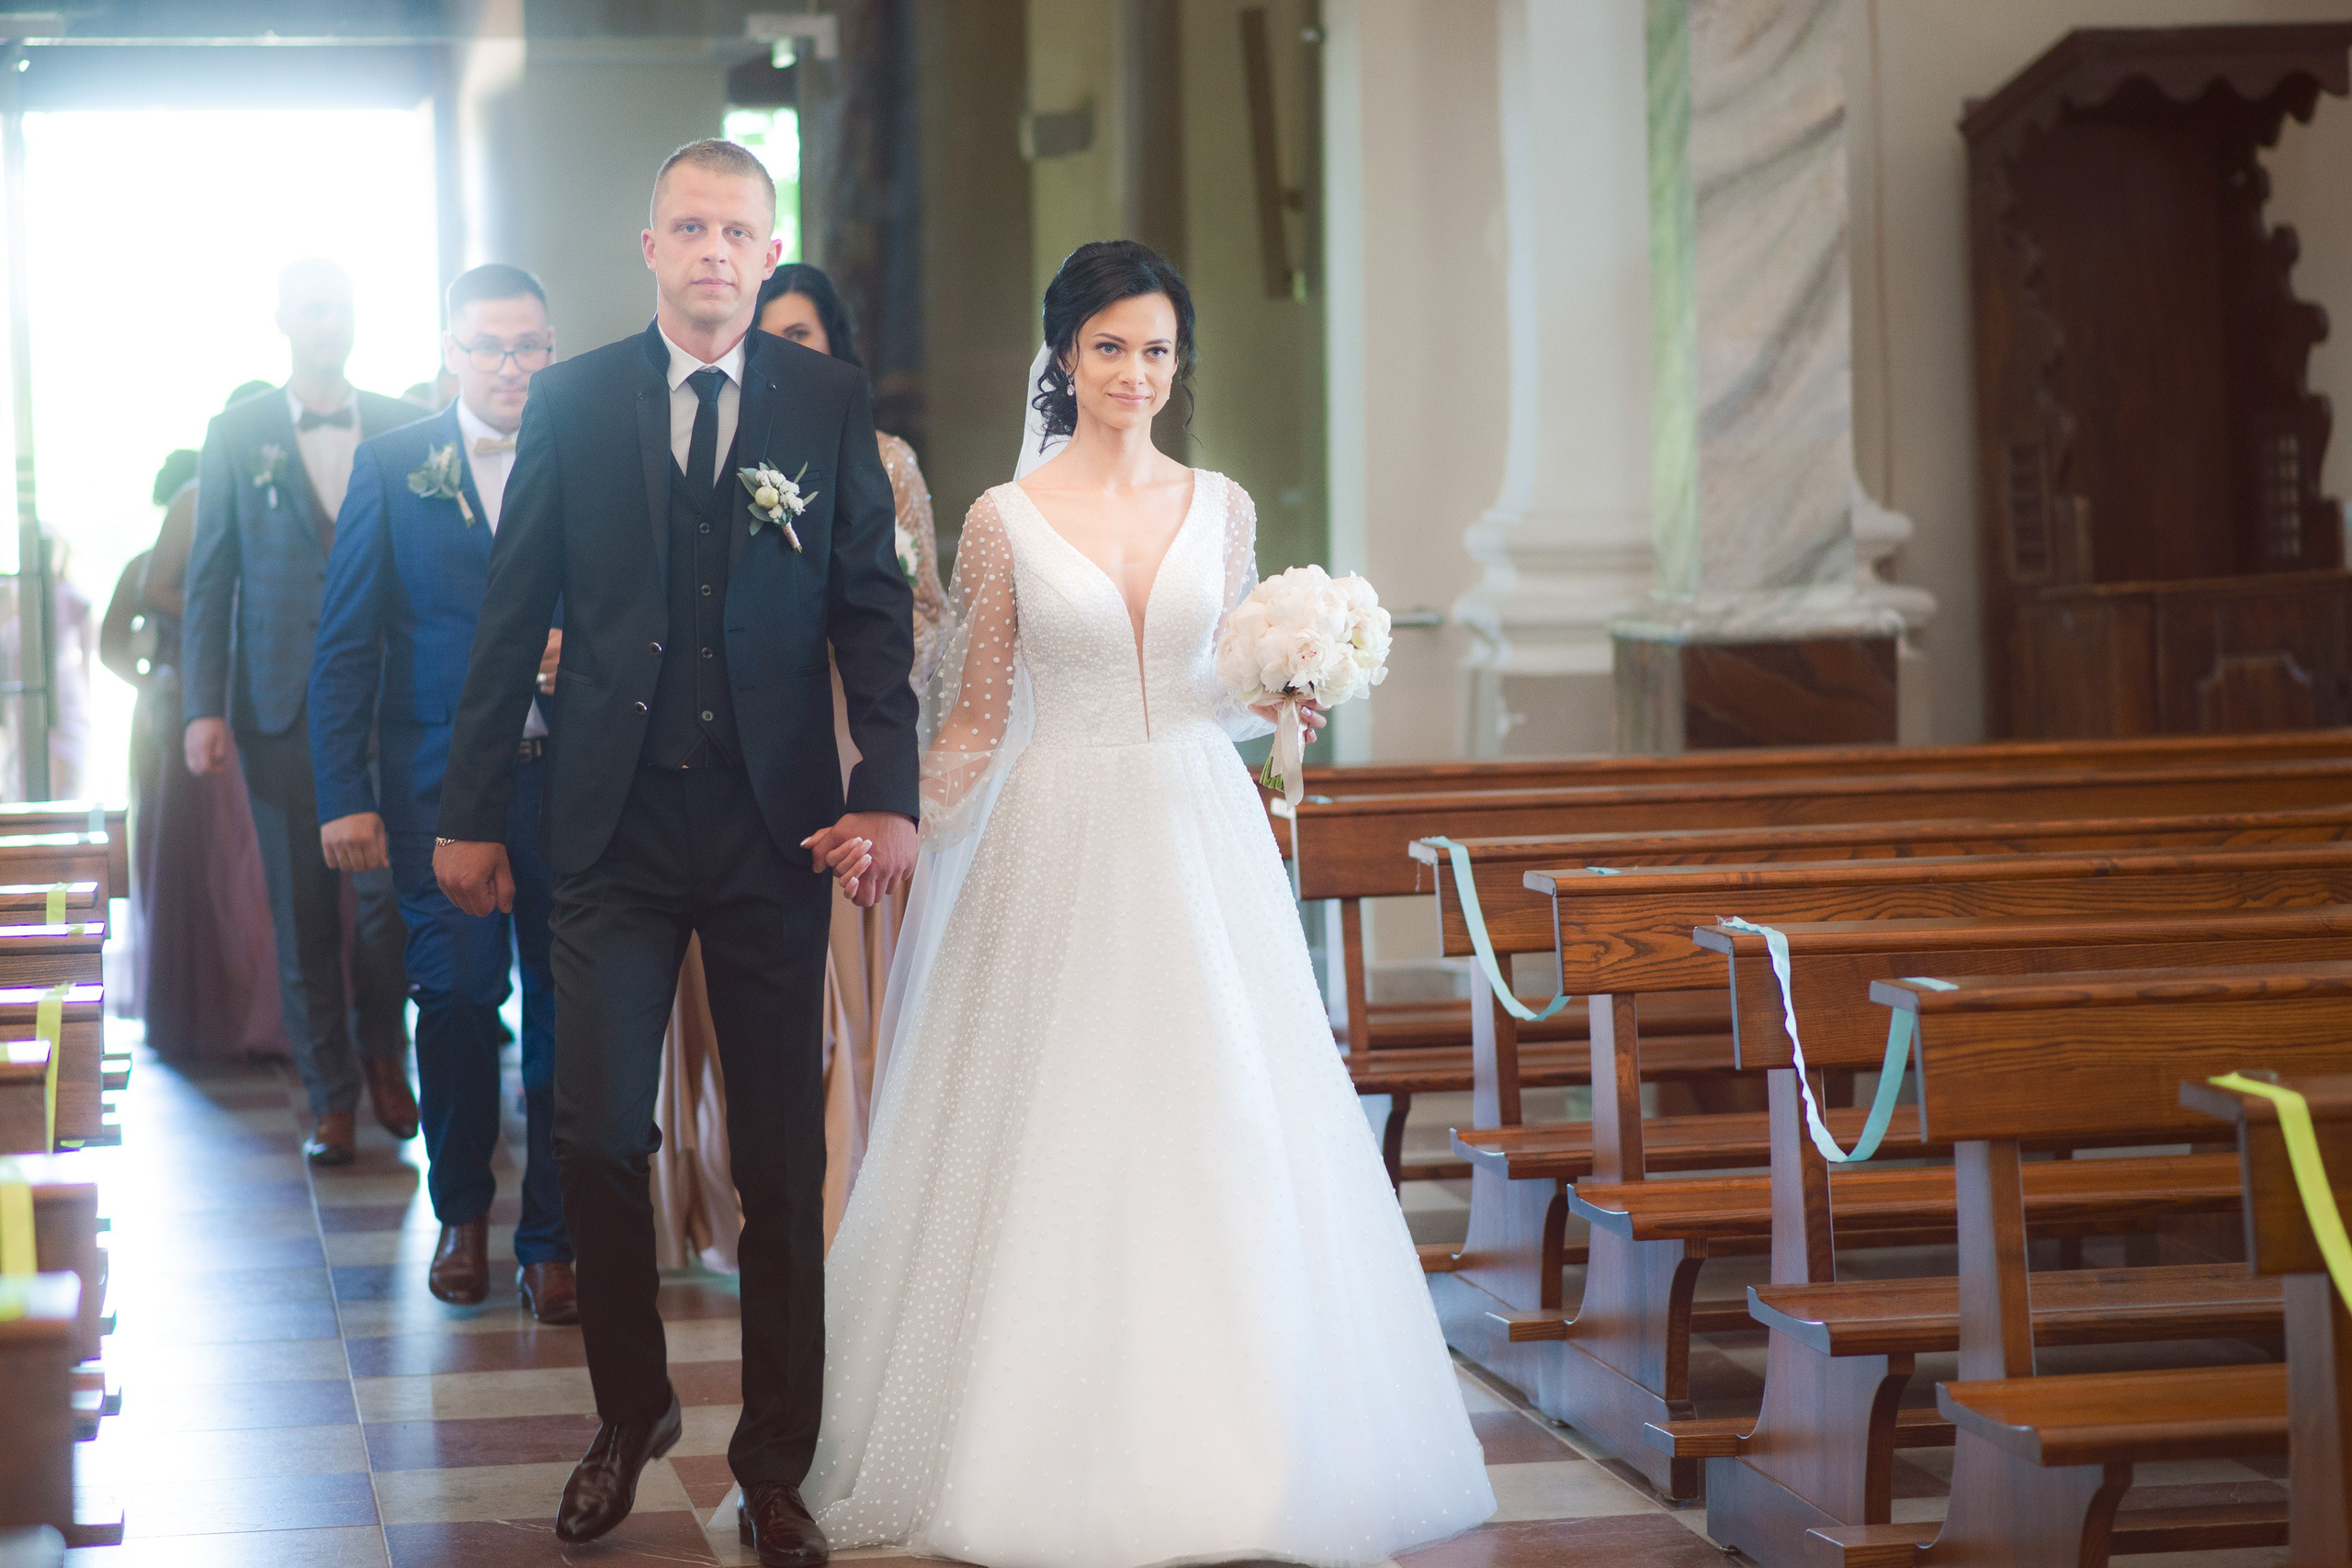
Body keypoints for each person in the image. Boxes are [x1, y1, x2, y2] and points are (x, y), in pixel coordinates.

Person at [804, 241, 1493, 1565]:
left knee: (1223, 1121)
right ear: (1064, 357)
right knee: (1061, 1129)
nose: (1136, 372)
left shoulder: (1221, 504)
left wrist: (1294, 684)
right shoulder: (1005, 516)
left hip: (1194, 833)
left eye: (1158, 348)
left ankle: (1250, 1452)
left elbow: (1215, 682)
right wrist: (889, 813)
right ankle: (1040, 1446)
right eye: (1111, 346)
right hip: (1054, 834)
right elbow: (980, 714)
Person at [431, 141, 918, 1564]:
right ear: (649, 245)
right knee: (594, 1132)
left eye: (739, 231)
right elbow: (513, 613)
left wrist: (883, 790)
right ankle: (630, 1410)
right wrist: (467, 809)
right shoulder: (574, 399)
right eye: (690, 226)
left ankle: (776, 1463)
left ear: (770, 255)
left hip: (777, 827)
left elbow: (871, 614)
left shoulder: (823, 403)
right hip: (611, 827)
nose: (715, 250)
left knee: (779, 1160)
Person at [651, 263, 947, 1271]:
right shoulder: (696, 436)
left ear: (833, 347)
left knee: (849, 991)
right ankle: (741, 1202)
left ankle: (856, 1197)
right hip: (738, 733)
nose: (785, 350)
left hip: (848, 729)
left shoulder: (883, 457)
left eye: (804, 335)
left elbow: (926, 607)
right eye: (769, 331)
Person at [309, 264, 578, 1322]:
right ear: (451, 354)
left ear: (551, 350)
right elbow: (344, 647)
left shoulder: (589, 458)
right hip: (431, 789)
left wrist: (584, 659)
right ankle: (464, 1211)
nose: (511, 366)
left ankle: (552, 1238)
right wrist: (345, 794)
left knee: (567, 1012)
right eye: (490, 348)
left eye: (530, 346)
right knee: (459, 997)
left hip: (570, 779)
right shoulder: (395, 465)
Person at [182, 259, 417, 1166]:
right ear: (283, 318)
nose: (331, 322)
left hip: (389, 704)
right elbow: (211, 579)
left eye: (343, 307)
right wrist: (206, 705)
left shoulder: (402, 427)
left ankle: (383, 1052)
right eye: (315, 308)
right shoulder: (238, 432)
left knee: (387, 905)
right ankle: (330, 1094)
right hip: (277, 705)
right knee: (304, 907)